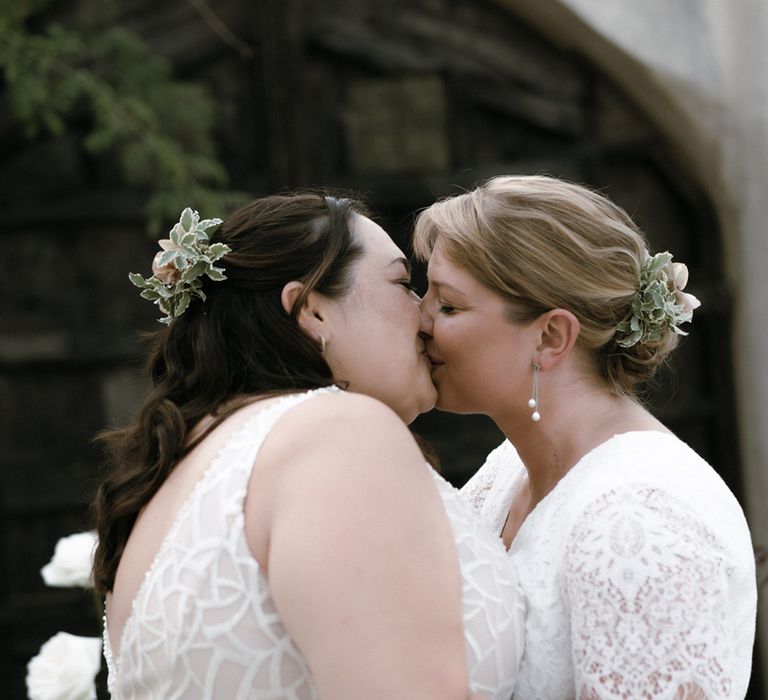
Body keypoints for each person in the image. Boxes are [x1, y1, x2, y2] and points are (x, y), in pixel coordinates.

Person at [92, 194, 523, 699]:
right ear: (311, 311)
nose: (426, 317)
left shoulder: (174, 475)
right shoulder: (337, 434)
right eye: (403, 284)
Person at [414, 175, 757, 699]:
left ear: (551, 336)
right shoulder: (510, 466)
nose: (419, 320)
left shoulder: (638, 519)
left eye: (449, 306)